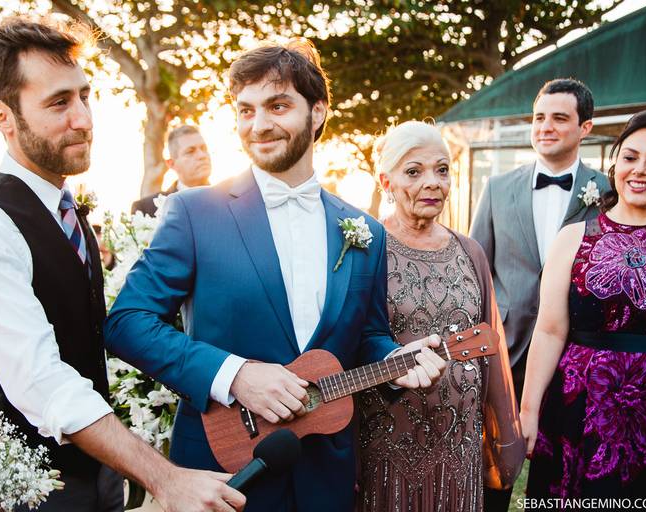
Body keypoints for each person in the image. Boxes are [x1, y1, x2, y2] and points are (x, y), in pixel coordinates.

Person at [104, 41, 447, 512]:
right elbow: (127, 322)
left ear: (318, 112)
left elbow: (366, 335)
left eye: (278, 105)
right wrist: (235, 374)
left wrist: (397, 359)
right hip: (223, 474)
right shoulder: (194, 212)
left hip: (325, 476)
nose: (258, 125)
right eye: (245, 111)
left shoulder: (364, 231)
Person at [0, 18, 244, 512]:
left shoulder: (67, 209)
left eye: (85, 95)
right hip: (27, 490)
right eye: (59, 102)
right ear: (2, 116)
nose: (83, 118)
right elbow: (43, 383)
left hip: (99, 478)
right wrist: (166, 479)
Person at [356, 121, 524, 512]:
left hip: (458, 446)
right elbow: (352, 342)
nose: (433, 182)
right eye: (414, 172)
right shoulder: (368, 252)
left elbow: (491, 355)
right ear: (387, 181)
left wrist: (500, 437)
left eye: (442, 169)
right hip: (386, 446)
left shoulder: (471, 252)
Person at [520, 109, 646, 504]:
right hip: (579, 409)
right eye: (630, 157)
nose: (640, 170)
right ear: (615, 161)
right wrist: (529, 410)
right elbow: (549, 330)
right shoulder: (574, 236)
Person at [469, 78, 610, 510]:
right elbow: (477, 271)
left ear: (585, 127)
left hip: (579, 354)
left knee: (571, 469)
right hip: (507, 349)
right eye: (539, 117)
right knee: (494, 472)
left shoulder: (609, 190)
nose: (545, 127)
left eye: (560, 118)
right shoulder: (496, 187)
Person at [131, 125, 212, 216]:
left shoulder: (228, 201)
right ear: (172, 164)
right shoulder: (145, 209)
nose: (202, 155)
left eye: (203, 148)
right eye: (190, 151)